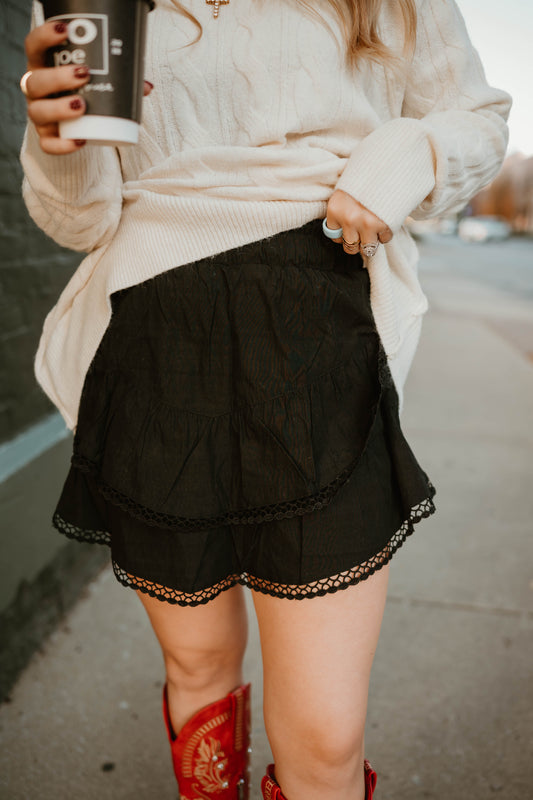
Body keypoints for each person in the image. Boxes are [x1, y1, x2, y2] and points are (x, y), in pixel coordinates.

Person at [19, 1, 510, 798]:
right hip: (153, 346)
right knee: (198, 665)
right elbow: (82, 220)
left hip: (317, 332)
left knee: (324, 736)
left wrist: (404, 156)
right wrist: (58, 143)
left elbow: (476, 117)